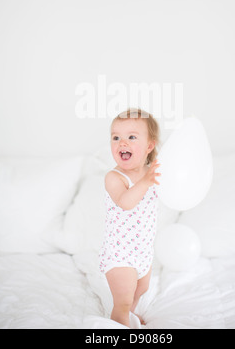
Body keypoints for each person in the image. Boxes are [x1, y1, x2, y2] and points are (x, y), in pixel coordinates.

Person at [99, 107, 161, 327]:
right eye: (116, 137)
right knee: (123, 300)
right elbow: (126, 203)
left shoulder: (150, 173)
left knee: (140, 290)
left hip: (143, 250)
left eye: (131, 137)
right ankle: (120, 319)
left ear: (149, 146)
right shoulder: (114, 177)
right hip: (120, 253)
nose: (122, 143)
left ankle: (130, 315)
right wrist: (145, 182)